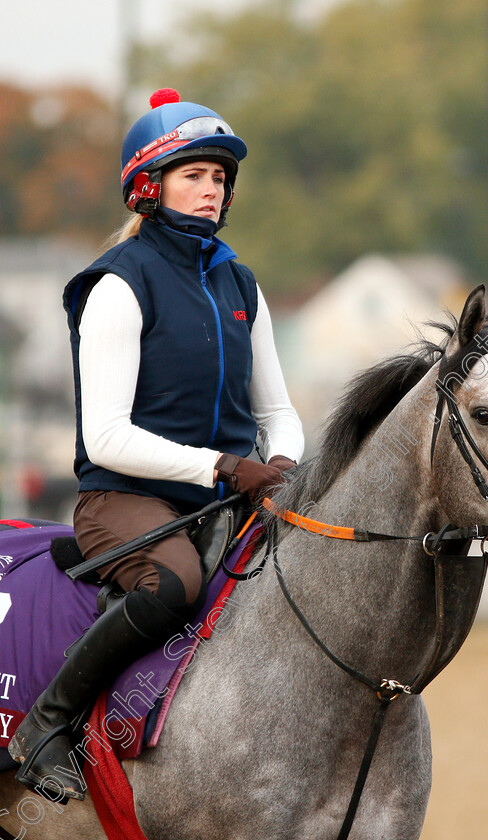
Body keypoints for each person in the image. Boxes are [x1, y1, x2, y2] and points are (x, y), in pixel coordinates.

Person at [9, 88, 304, 800]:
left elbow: (278, 409)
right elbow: (106, 437)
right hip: (124, 500)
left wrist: (284, 466)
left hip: (226, 495)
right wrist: (228, 467)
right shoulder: (118, 283)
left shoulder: (242, 282)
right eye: (195, 175)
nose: (213, 190)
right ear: (149, 186)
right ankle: (47, 724)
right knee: (176, 583)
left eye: (220, 178)